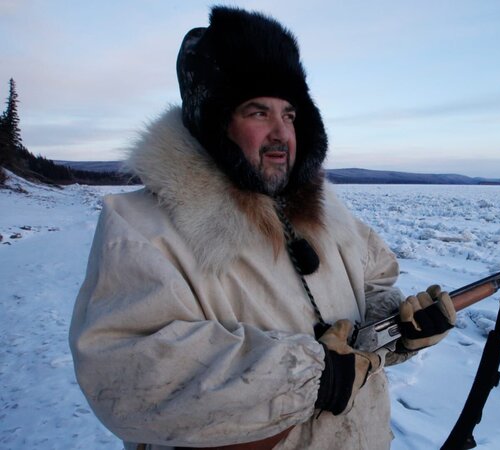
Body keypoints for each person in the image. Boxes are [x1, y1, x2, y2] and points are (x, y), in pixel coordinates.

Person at [69, 6, 456, 450]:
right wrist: (309, 379)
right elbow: (127, 373)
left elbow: (370, 288)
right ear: (214, 123)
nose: (281, 133)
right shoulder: (143, 228)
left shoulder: (330, 214)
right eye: (258, 112)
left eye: (290, 115)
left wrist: (401, 325)